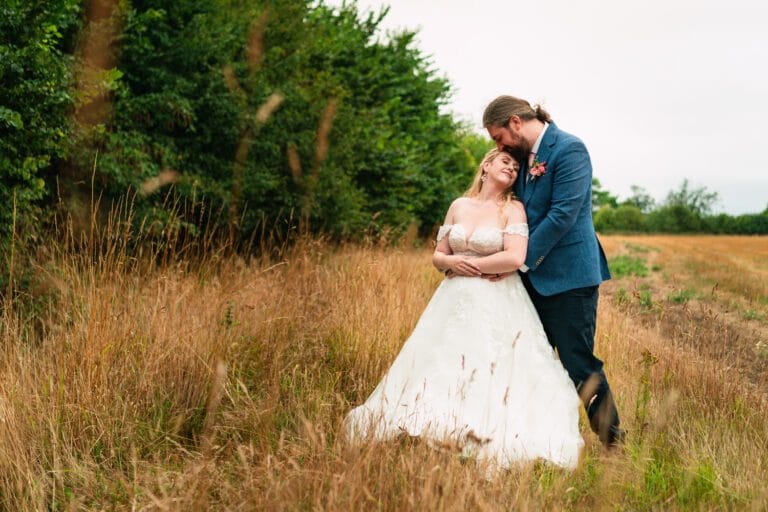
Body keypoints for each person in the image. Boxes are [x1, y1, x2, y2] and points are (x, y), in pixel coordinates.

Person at [344, 149, 584, 472]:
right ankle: (433, 426)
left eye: (516, 167)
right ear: (486, 166)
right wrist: (451, 262)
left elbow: (514, 258)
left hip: (497, 298)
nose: (512, 169)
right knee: (440, 359)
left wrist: (472, 265)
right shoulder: (458, 205)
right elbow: (438, 256)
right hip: (451, 300)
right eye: (505, 163)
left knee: (488, 363)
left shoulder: (513, 209)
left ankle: (482, 429)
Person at [482, 95, 624, 448]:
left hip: (570, 279)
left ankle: (614, 444)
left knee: (579, 364)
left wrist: (519, 259)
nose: (499, 146)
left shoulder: (570, 150)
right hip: (528, 280)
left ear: (516, 122)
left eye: (499, 137)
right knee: (531, 358)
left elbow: (563, 215)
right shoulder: (521, 158)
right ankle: (536, 440)